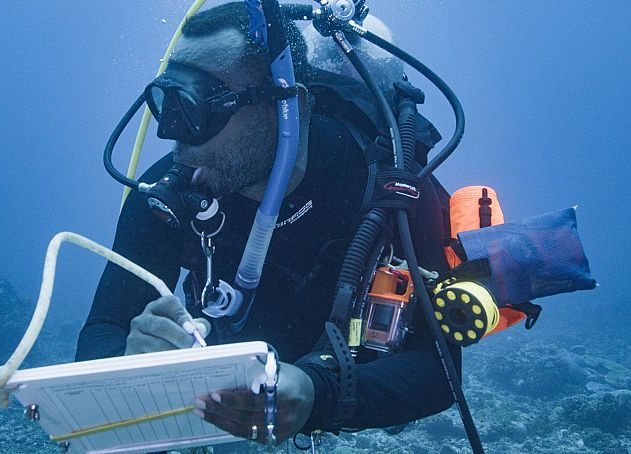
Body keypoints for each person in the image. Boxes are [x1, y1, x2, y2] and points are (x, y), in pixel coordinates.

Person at [76, 2, 460, 446]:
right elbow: (106, 323)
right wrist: (126, 364)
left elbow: (440, 372)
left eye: (200, 107)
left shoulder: (383, 185)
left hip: (339, 382)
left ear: (286, 103)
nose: (174, 135)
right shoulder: (169, 193)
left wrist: (320, 396)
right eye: (168, 104)